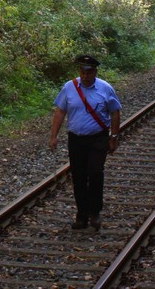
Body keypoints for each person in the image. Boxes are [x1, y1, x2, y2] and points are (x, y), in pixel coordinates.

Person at [49, 55, 122, 231]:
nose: (85, 75)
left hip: (98, 138)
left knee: (96, 173)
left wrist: (113, 137)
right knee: (79, 177)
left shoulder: (105, 88)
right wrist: (53, 135)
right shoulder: (69, 87)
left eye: (88, 72)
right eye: (82, 72)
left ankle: (95, 212)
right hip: (76, 139)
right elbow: (60, 112)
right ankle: (82, 215)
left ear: (95, 72)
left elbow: (115, 112)